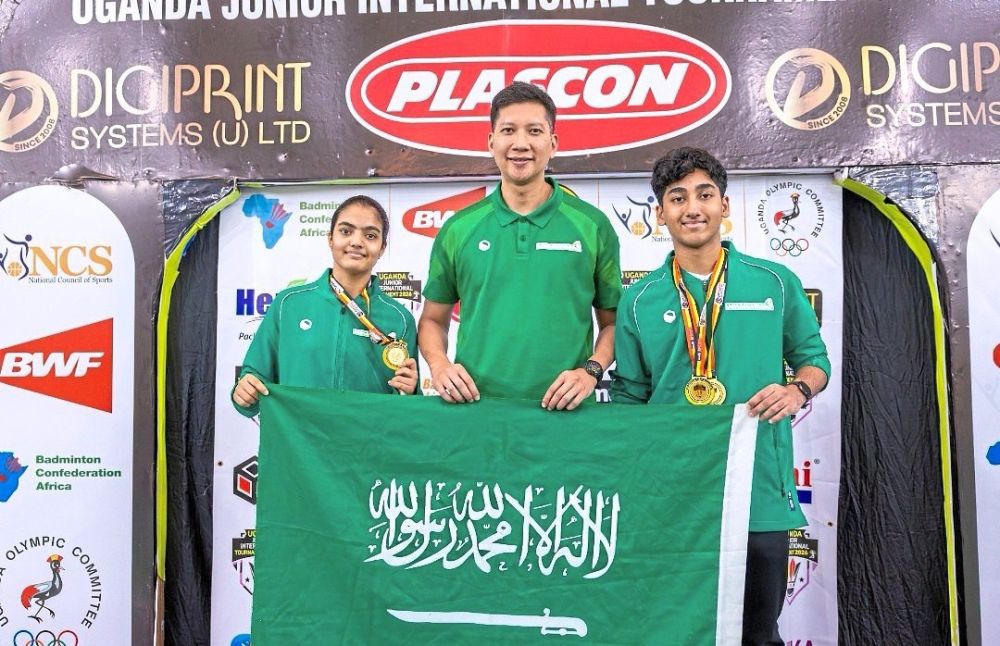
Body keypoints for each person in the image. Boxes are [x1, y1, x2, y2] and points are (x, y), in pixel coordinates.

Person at [610, 147, 830, 645]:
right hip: (674, 498)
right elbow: (628, 396)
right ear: (660, 213)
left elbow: (816, 362)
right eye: (677, 197)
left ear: (724, 206)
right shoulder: (640, 299)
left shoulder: (775, 282)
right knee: (674, 632)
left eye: (705, 194)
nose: (693, 208)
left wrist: (796, 390)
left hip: (758, 494)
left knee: (758, 635)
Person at [418, 82, 622, 410]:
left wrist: (590, 372)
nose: (520, 144)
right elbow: (432, 320)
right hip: (476, 411)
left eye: (534, 131)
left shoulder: (592, 226)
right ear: (491, 141)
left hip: (566, 416)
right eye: (508, 130)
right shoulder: (459, 228)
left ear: (552, 143)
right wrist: (439, 366)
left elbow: (613, 324)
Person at [232, 195, 418, 416]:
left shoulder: (399, 318)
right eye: (346, 231)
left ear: (382, 247)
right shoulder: (288, 304)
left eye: (370, 235)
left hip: (366, 448)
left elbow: (408, 409)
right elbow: (254, 377)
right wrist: (244, 392)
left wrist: (410, 391)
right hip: (301, 446)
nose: (356, 242)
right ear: (330, 239)